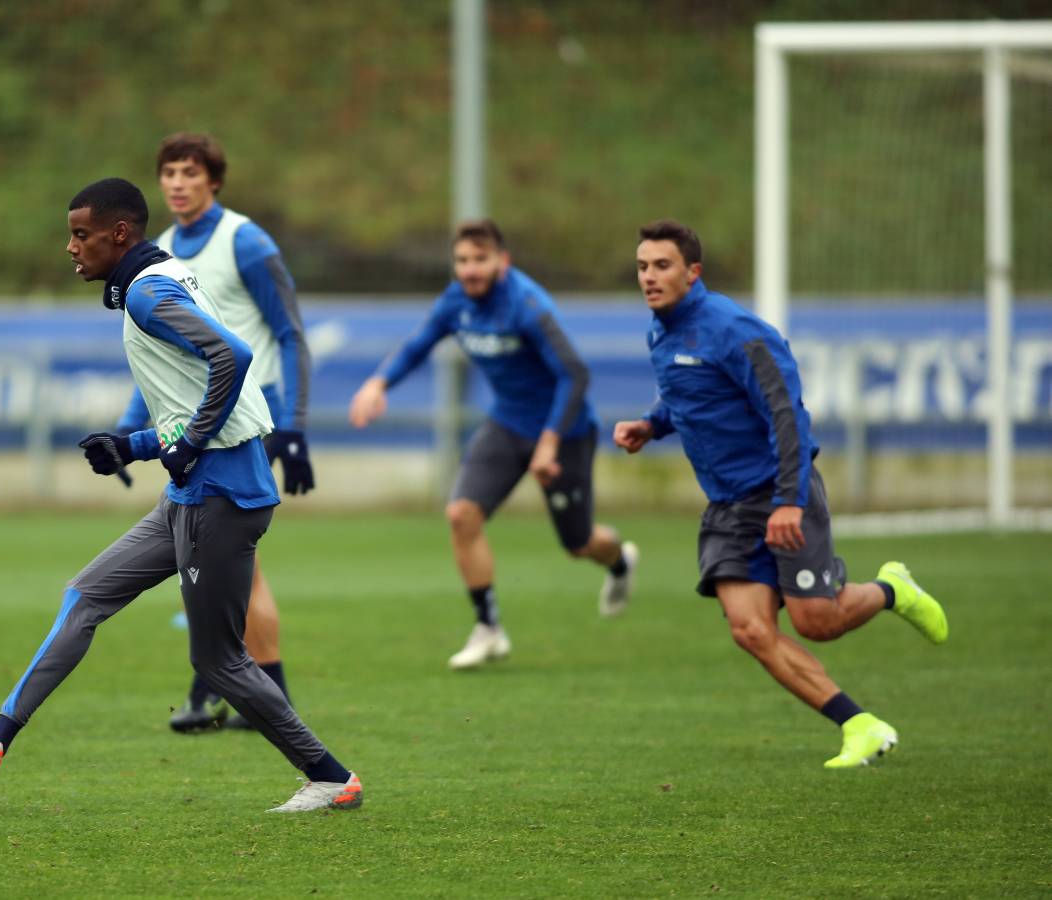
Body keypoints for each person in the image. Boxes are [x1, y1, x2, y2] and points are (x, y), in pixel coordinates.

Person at [0, 178, 361, 813]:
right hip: (193, 492)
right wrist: (133, 446)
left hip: (218, 496)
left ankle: (331, 777)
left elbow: (234, 356)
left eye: (81, 234)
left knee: (220, 661)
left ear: (120, 235)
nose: (71, 247)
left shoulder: (147, 292)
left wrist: (189, 446)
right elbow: (197, 389)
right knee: (86, 595)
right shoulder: (163, 272)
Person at [613, 219, 948, 768]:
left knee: (819, 622)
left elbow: (786, 416)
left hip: (779, 491)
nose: (650, 277)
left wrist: (789, 500)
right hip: (728, 508)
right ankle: (860, 725)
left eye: (662, 266)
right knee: (749, 628)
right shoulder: (660, 330)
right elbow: (692, 395)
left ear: (693, 272)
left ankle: (891, 589)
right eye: (643, 267)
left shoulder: (738, 331)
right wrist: (652, 425)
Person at [348, 219, 636, 668]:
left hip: (565, 431)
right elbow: (418, 345)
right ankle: (489, 628)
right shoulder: (455, 302)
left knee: (579, 544)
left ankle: (620, 561)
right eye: (462, 260)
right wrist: (378, 383)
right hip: (506, 425)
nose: (469, 269)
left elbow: (575, 374)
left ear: (503, 261)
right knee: (462, 513)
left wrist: (549, 443)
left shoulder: (527, 305)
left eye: (480, 259)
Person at [113, 133, 310, 732]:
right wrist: (126, 430)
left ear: (214, 180)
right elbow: (159, 358)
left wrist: (297, 426)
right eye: (167, 171)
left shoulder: (245, 242)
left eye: (189, 171)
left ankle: (242, 692)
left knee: (226, 554)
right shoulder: (163, 251)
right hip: (199, 420)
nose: (176, 181)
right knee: (217, 555)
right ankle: (228, 691)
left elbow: (291, 333)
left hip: (251, 416)